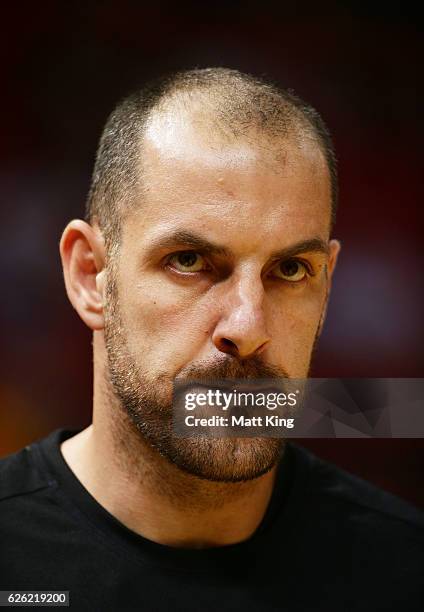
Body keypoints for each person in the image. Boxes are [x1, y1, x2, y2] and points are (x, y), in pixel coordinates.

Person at [0, 68, 422, 611]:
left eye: (291, 270)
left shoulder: (405, 570)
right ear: (90, 276)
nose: (247, 328)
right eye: (190, 261)